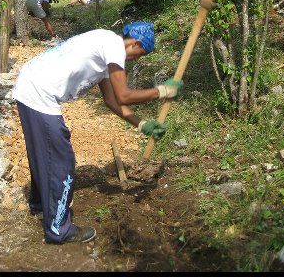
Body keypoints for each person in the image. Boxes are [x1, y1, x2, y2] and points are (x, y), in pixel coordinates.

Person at [11, 21, 185, 244]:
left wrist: (141, 124)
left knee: (44, 151)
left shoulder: (105, 47)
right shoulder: (113, 45)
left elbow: (111, 101)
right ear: (136, 42)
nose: (136, 59)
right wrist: (162, 91)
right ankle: (58, 229)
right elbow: (124, 95)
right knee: (61, 162)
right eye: (140, 54)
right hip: (38, 92)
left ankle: (40, 204)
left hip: (31, 83)